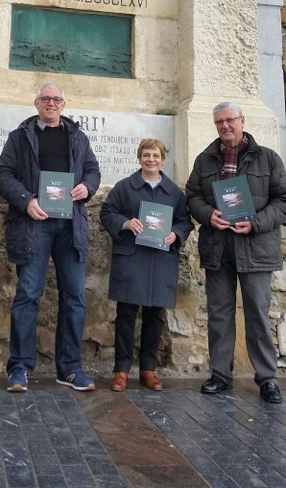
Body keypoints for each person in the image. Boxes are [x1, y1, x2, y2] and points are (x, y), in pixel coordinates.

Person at [0, 82, 100, 392]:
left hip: (71, 227)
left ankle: (69, 368)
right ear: (36, 103)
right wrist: (26, 200)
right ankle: (19, 368)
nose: (51, 104)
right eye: (45, 99)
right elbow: (3, 175)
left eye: (56, 99)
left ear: (63, 105)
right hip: (33, 226)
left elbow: (93, 170)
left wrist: (87, 187)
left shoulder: (78, 137)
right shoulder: (19, 137)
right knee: (27, 294)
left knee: (75, 298)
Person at [186, 102, 286, 404]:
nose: (225, 126)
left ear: (242, 121)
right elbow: (192, 196)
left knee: (256, 312)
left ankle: (267, 378)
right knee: (219, 313)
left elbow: (282, 201)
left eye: (230, 120)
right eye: (219, 122)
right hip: (218, 246)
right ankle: (220, 374)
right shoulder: (205, 159)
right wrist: (207, 215)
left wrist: (255, 223)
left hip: (255, 246)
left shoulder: (267, 158)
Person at [100, 138, 193, 392]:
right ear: (139, 158)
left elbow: (185, 221)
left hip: (160, 260)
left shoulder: (174, 193)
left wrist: (176, 233)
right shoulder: (124, 187)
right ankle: (121, 370)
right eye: (146, 155)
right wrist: (126, 223)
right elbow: (107, 212)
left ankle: (148, 370)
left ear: (163, 160)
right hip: (131, 258)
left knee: (154, 317)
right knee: (126, 316)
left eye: (155, 155)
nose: (151, 159)